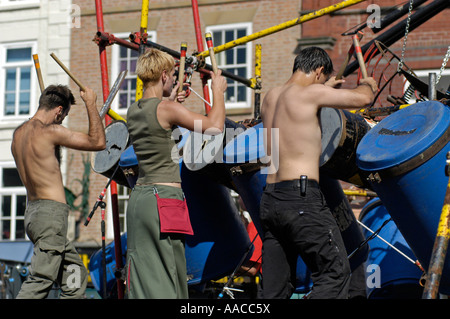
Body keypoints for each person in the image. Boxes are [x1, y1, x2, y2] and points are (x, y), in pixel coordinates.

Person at [259, 46, 378, 299]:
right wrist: (368, 84)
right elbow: (363, 99)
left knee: (274, 289)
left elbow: (297, 115)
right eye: (323, 80)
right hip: (301, 199)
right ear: (319, 71)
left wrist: (326, 87)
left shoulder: (270, 97)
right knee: (335, 272)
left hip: (270, 199)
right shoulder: (311, 93)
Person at [125, 48, 227, 299]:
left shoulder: (134, 110)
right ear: (162, 75)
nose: (173, 79)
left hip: (140, 200)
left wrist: (172, 100)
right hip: (165, 200)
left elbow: (158, 125)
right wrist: (218, 92)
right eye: (171, 76)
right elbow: (214, 127)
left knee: (145, 276)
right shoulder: (166, 109)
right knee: (169, 274)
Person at [11, 84, 106, 299]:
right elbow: (98, 142)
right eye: (63, 117)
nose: (61, 121)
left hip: (33, 216)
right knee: (41, 279)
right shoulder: (50, 131)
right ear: (59, 110)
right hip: (50, 217)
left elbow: (43, 164)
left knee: (75, 273)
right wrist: (90, 103)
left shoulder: (18, 135)